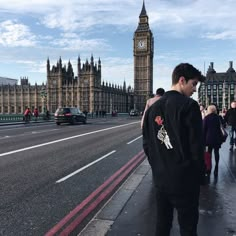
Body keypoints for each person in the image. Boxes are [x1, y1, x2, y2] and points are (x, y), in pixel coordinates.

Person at [142, 63, 206, 236]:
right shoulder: (189, 106)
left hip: (161, 181)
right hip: (185, 181)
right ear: (182, 80)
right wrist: (200, 176)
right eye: (193, 84)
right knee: (188, 228)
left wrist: (158, 167)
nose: (194, 90)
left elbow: (147, 145)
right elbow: (196, 148)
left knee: (162, 226)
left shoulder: (152, 108)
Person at [203, 105, 222, 176]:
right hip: (217, 138)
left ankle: (209, 168)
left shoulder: (206, 118)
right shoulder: (218, 118)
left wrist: (203, 140)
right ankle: (216, 166)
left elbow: (204, 129)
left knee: (209, 154)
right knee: (216, 152)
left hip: (208, 139)